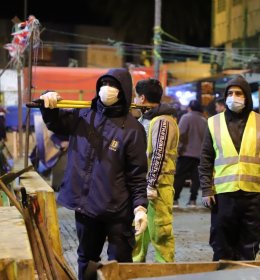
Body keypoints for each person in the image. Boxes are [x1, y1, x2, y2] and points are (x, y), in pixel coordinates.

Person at [39, 68, 148, 279]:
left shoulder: (133, 129)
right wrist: (48, 99)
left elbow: (137, 174)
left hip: (118, 210)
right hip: (86, 207)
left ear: (123, 90)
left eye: (114, 85)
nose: (108, 89)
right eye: (104, 83)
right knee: (87, 259)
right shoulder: (83, 116)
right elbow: (56, 122)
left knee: (120, 264)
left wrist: (140, 207)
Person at [198, 75, 260, 261]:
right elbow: (205, 159)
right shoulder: (214, 122)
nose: (234, 97)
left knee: (249, 245)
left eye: (239, 93)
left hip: (254, 194)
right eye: (230, 93)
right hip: (223, 194)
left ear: (247, 96)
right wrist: (206, 189)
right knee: (221, 243)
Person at [132, 78, 179, 263]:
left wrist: (151, 184)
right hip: (144, 185)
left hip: (158, 188)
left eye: (136, 96)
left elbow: (159, 154)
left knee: (161, 232)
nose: (135, 99)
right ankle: (135, 269)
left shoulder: (163, 121)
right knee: (138, 231)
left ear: (142, 97)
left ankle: (166, 271)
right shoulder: (147, 119)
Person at [173, 99, 207, 207]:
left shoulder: (186, 117)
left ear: (190, 108)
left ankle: (175, 200)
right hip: (199, 155)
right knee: (196, 179)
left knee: (179, 177)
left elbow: (180, 135)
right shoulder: (204, 121)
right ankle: (192, 201)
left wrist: (177, 149)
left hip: (185, 154)